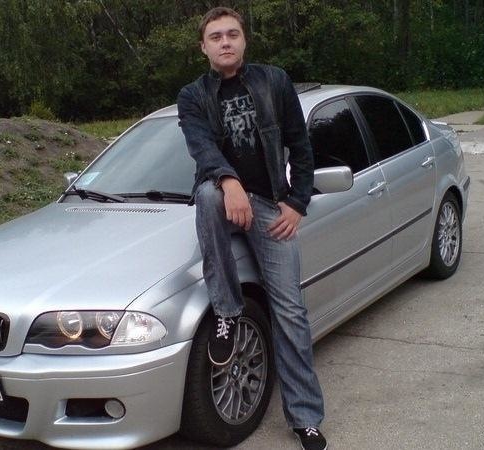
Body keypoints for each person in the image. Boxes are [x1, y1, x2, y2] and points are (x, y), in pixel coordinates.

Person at [176, 7, 327, 450]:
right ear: (203, 47)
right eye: (216, 37)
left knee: (291, 312)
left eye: (232, 34)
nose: (225, 42)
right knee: (208, 194)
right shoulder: (192, 96)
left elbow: (300, 144)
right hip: (221, 201)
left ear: (244, 40)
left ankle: (305, 418)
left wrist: (297, 203)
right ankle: (228, 311)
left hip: (268, 205)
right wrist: (230, 183)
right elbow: (202, 147)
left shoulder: (274, 81)